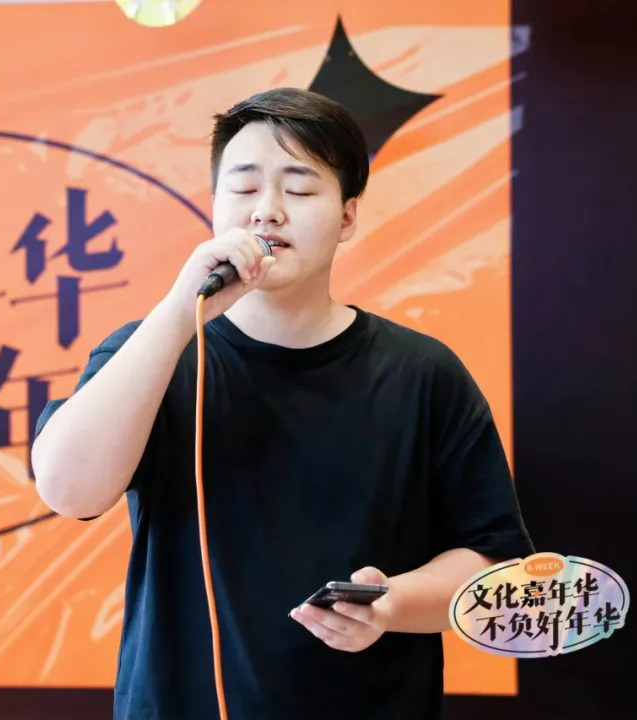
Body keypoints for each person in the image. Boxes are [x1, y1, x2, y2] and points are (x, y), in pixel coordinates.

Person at [31, 87, 534, 719]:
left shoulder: (423, 373)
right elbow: (69, 490)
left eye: (298, 190)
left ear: (347, 217)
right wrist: (179, 314)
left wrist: (394, 603)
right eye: (243, 189)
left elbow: (493, 564)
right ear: (215, 207)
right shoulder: (154, 352)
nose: (266, 212)